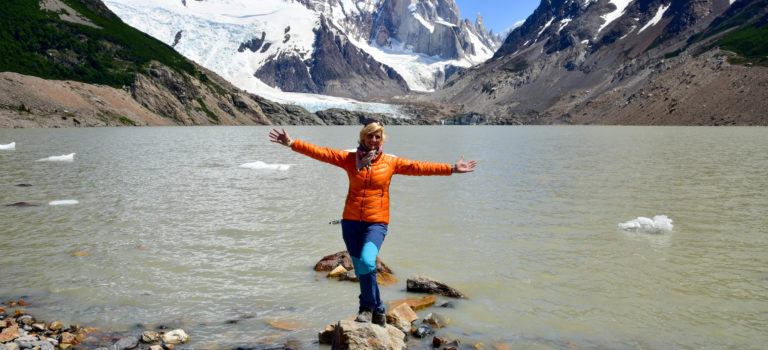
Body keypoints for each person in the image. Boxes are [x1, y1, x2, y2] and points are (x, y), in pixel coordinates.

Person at [269, 121, 476, 327]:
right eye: (370, 136)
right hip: (350, 222)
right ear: (363, 137)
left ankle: (365, 308)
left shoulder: (390, 162)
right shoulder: (349, 159)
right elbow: (322, 153)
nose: (373, 140)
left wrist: (451, 168)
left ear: (381, 139)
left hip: (376, 223)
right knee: (361, 271)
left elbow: (419, 167)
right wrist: (291, 143)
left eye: (378, 137)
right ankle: (378, 309)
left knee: (368, 263)